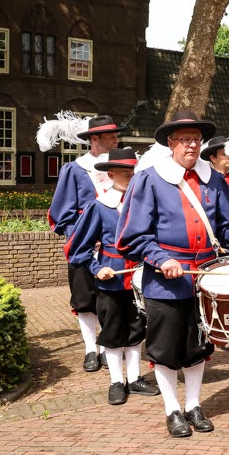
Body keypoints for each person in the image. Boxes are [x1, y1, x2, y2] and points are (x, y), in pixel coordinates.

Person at [117, 112, 229, 437]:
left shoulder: (212, 178)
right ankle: (172, 410)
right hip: (164, 281)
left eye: (196, 139)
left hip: (205, 278)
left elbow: (228, 224)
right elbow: (135, 235)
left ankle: (194, 405)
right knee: (167, 349)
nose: (192, 145)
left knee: (198, 346)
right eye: (184, 140)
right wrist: (160, 258)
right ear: (171, 144)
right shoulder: (150, 179)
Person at [68, 148, 159, 405]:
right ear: (111, 175)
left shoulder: (145, 205)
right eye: (126, 174)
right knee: (112, 330)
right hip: (111, 279)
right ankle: (116, 382)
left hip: (140, 279)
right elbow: (78, 249)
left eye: (134, 173)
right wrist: (98, 269)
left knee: (136, 330)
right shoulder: (98, 206)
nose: (132, 177)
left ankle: (135, 378)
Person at [49, 115, 124, 372]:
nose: (116, 140)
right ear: (94, 140)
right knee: (84, 300)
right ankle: (91, 349)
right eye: (110, 136)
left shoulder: (124, 168)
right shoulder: (75, 169)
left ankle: (107, 346)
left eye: (116, 135)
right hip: (85, 246)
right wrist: (78, 238)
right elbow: (62, 213)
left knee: (112, 297)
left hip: (115, 246)